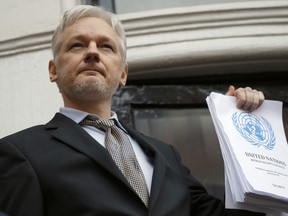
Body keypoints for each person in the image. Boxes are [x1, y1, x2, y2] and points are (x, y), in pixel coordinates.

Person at [0, 5, 266, 216]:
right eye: (77, 45)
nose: (92, 53)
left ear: (123, 73)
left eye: (106, 46)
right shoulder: (20, 152)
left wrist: (242, 129)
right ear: (53, 70)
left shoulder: (166, 155)